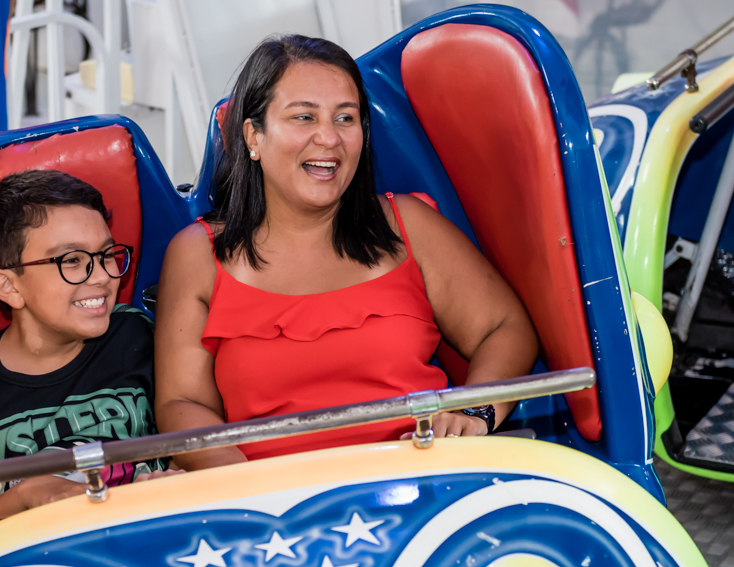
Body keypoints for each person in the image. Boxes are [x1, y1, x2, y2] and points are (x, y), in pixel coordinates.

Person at [154, 35, 539, 469]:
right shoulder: (197, 254)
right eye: (304, 117)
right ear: (253, 137)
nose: (329, 138)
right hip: (272, 513)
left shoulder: (409, 224)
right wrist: (246, 483)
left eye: (345, 118)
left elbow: (505, 327)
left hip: (425, 487)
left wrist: (476, 410)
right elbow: (181, 402)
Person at [0, 169, 172, 553]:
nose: (102, 277)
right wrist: (31, 495)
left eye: (106, 255)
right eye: (72, 260)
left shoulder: (137, 335)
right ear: (9, 286)